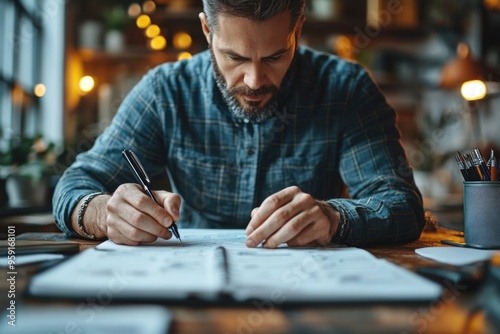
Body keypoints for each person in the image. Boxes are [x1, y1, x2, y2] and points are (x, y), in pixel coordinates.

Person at [53, 0, 425, 248]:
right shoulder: (165, 92)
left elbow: (403, 205)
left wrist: (334, 218)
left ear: (298, 28)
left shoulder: (346, 90)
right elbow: (74, 185)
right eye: (234, 56)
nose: (253, 80)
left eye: (276, 56)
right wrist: (103, 212)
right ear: (206, 31)